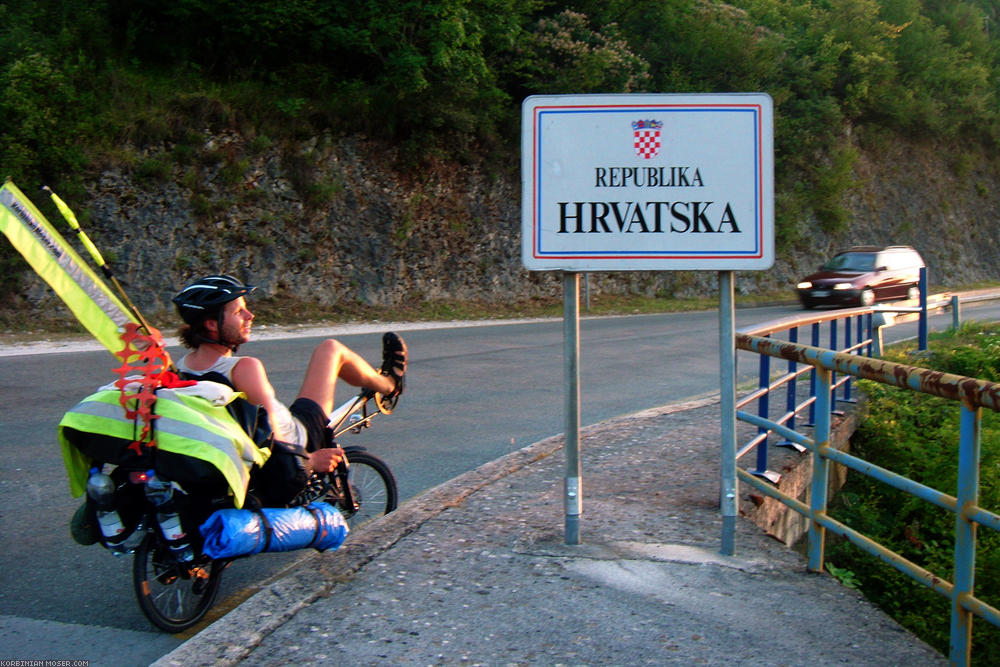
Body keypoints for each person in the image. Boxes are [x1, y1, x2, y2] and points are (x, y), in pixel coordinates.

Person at [170, 274, 407, 479]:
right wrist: (308, 461)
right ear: (212, 325)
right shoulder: (243, 368)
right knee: (331, 350)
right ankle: (389, 384)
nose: (250, 316)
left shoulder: (183, 368)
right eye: (238, 311)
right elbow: (278, 436)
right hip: (299, 440)